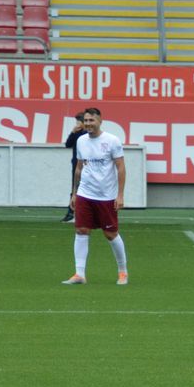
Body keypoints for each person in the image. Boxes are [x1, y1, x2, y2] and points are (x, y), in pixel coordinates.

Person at [62, 107, 128, 286]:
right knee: (81, 230)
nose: (88, 124)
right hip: (85, 193)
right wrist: (75, 193)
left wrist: (120, 195)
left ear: (100, 121)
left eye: (92, 120)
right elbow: (79, 168)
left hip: (106, 196)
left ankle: (123, 272)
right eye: (86, 121)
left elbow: (121, 168)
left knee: (110, 233)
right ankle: (79, 274)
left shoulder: (112, 141)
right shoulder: (81, 141)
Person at [61, 109, 86, 223]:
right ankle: (71, 213)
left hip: (89, 165)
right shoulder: (76, 133)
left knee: (87, 188)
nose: (77, 125)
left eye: (78, 122)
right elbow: (68, 144)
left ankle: (86, 214)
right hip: (76, 164)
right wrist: (72, 132)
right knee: (75, 188)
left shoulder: (89, 134)